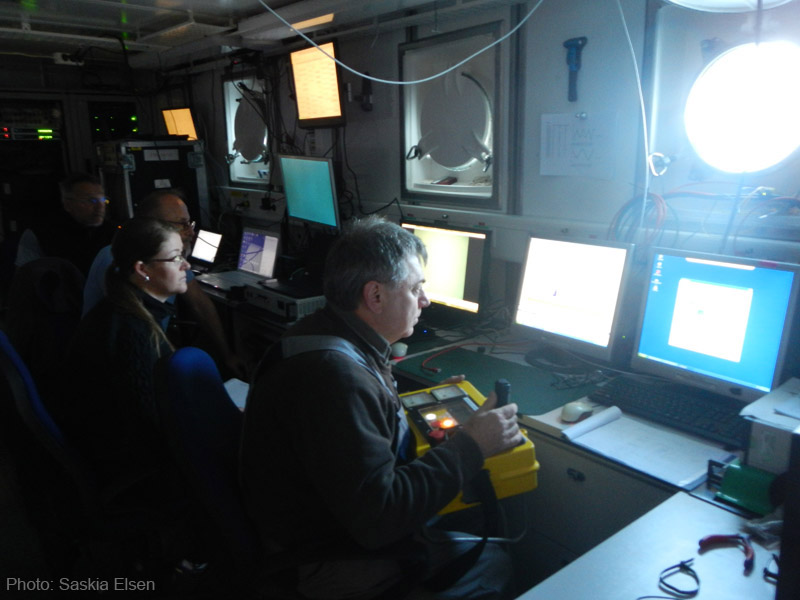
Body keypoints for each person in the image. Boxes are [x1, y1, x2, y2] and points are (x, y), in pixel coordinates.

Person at [240, 215, 522, 600]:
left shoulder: (323, 335)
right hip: (325, 558)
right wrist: (472, 444)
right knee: (494, 562)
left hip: (316, 522)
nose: (424, 300)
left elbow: (357, 433)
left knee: (466, 513)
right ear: (374, 296)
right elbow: (381, 519)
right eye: (416, 288)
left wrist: (428, 406)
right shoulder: (334, 377)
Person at [59, 217, 189, 491]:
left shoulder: (122, 308)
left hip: (110, 451)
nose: (186, 266)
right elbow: (149, 426)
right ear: (143, 269)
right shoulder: (134, 330)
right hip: (129, 468)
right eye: (176, 257)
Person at [83, 188, 246, 379]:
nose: (191, 232)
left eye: (190, 223)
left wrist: (227, 356)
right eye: (182, 224)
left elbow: (200, 304)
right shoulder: (132, 328)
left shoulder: (163, 265)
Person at [15, 172, 116, 277]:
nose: (100, 207)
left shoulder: (113, 232)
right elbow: (25, 280)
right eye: (92, 200)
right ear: (68, 204)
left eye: (103, 200)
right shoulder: (41, 234)